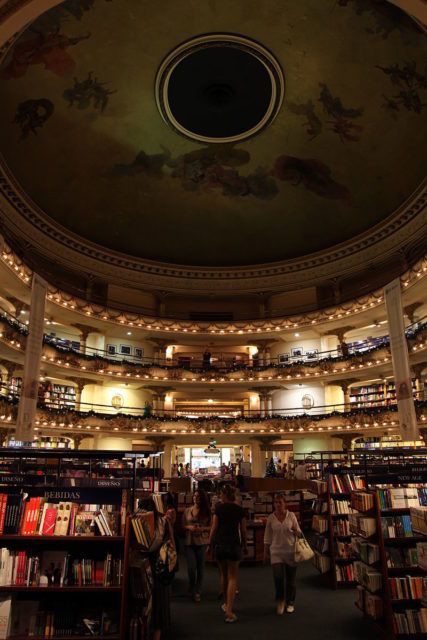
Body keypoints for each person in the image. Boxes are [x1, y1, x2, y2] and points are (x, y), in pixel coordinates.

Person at [207, 484, 247, 623]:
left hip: (220, 544)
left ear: (224, 495)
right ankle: (229, 609)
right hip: (234, 544)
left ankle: (226, 603)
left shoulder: (218, 509)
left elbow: (214, 528)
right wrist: (245, 544)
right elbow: (243, 529)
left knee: (223, 574)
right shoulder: (239, 510)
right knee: (233, 577)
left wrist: (209, 544)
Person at [138, 496, 176, 640]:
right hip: (161, 566)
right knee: (159, 602)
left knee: (143, 600)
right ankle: (156, 634)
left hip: (143, 564)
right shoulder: (163, 521)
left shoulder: (137, 523)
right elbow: (171, 542)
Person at [264, 493, 302, 615]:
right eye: (276, 502)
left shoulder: (291, 516)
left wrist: (296, 531)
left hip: (290, 550)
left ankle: (290, 602)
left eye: (280, 502)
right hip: (276, 551)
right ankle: (280, 600)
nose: (278, 505)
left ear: (285, 503)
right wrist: (266, 552)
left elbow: (299, 533)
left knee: (291, 580)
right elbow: (267, 537)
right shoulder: (271, 518)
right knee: (278, 578)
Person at [182, 490, 211, 602]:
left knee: (200, 568)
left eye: (198, 497)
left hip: (202, 541)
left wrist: (202, 528)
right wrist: (189, 528)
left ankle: (197, 590)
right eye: (194, 496)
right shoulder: (187, 511)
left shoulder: (206, 511)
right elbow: (183, 525)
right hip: (189, 542)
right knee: (191, 567)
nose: (195, 498)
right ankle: (191, 586)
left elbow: (211, 527)